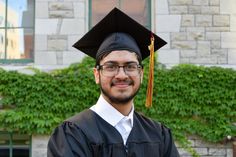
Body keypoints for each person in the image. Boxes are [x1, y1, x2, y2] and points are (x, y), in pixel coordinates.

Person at [47, 8, 180, 157]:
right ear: (97, 74)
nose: (122, 75)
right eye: (111, 67)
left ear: (141, 73)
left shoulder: (159, 135)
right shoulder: (73, 134)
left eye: (130, 66)